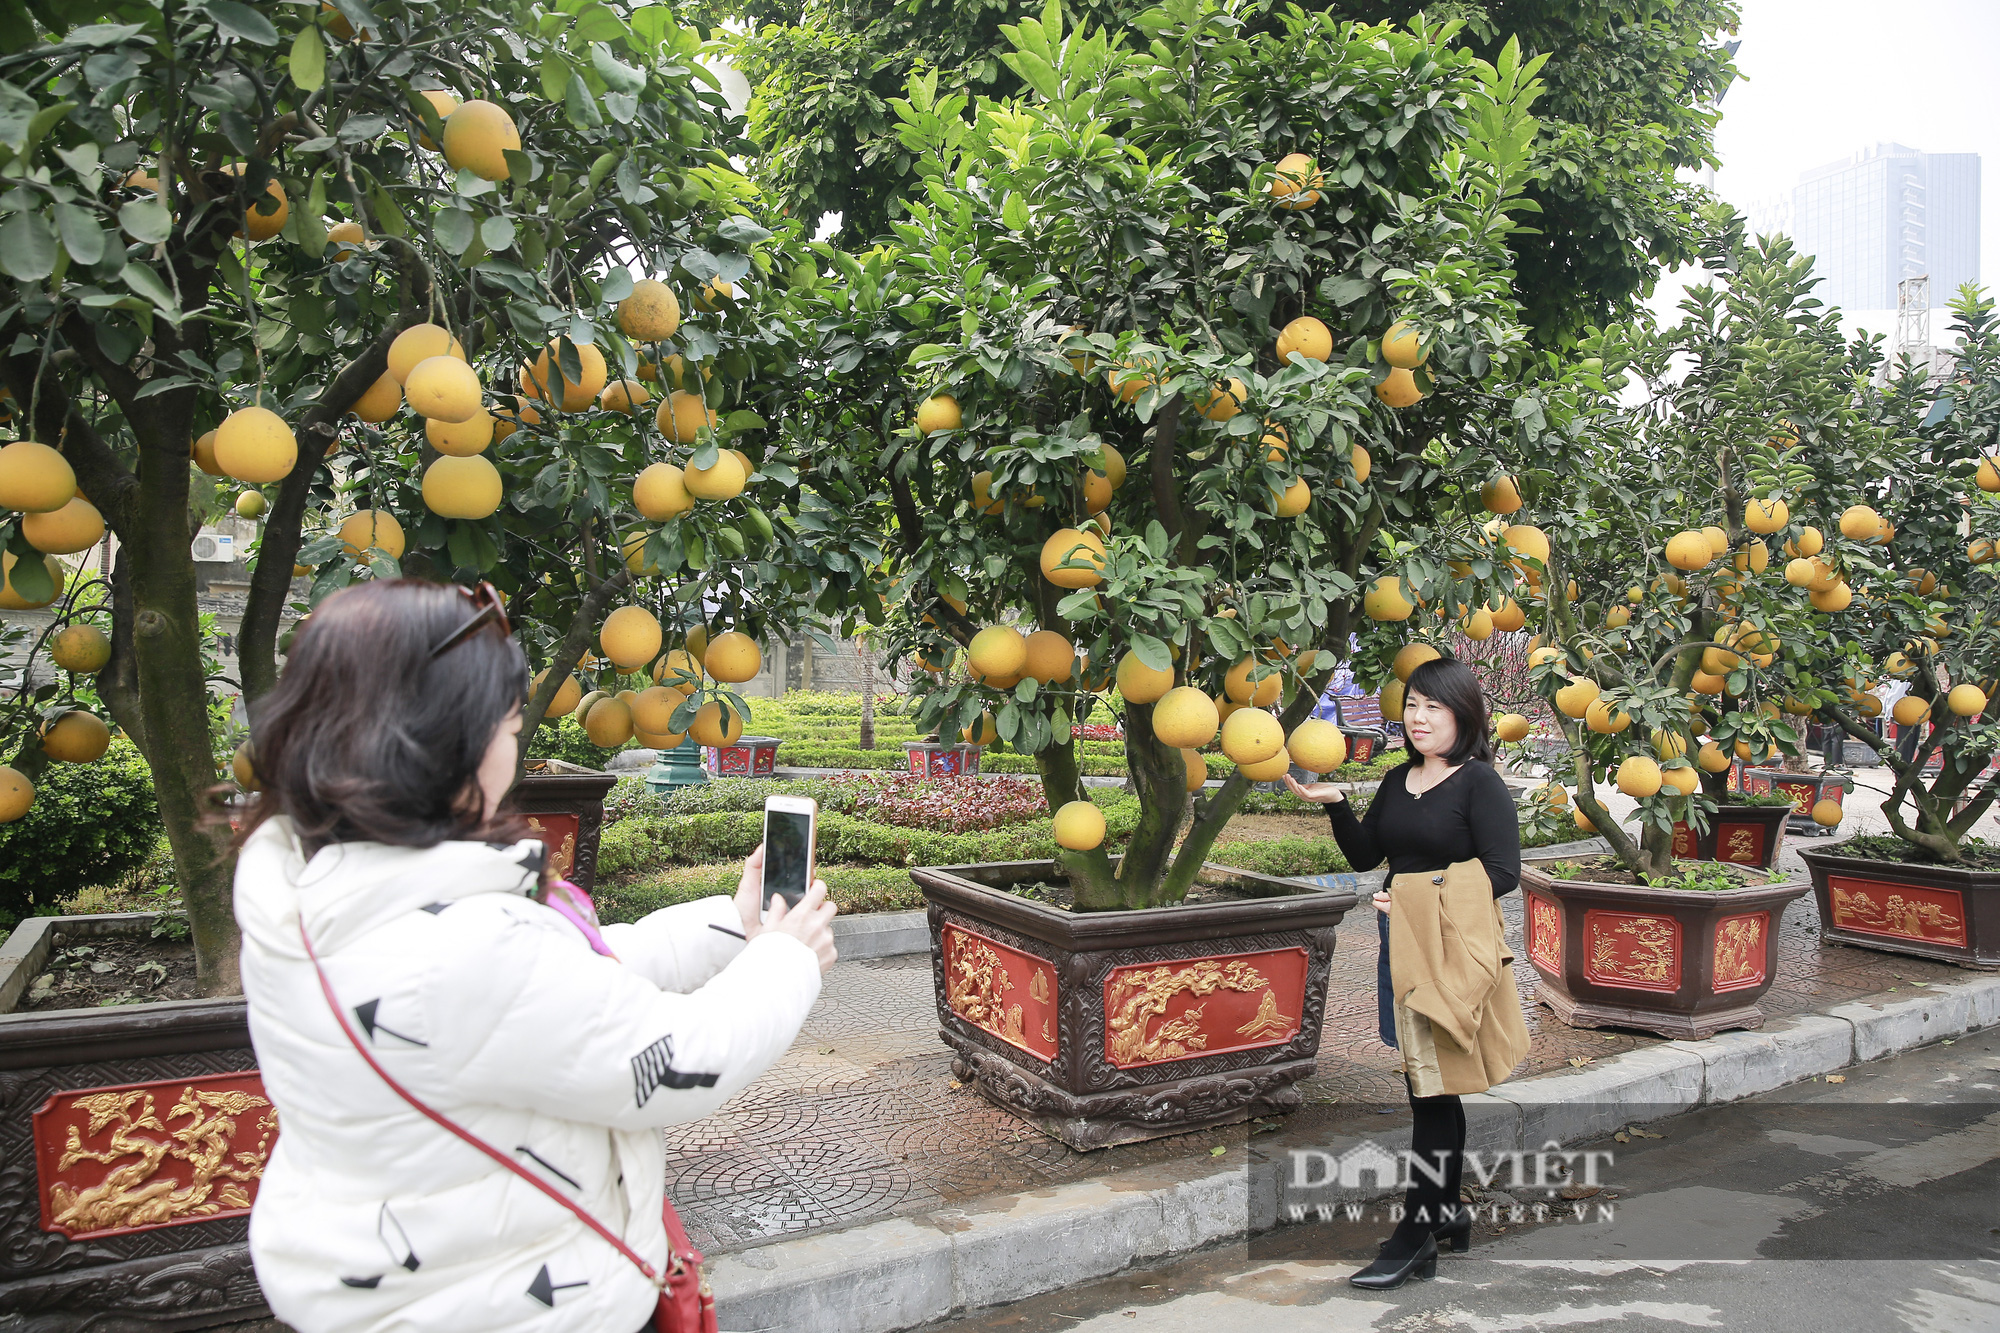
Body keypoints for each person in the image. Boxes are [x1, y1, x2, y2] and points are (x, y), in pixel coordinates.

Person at [232, 579, 837, 1333]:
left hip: (408, 1282)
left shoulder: (320, 891)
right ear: (442, 742)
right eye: (508, 726)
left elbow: (550, 989)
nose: (511, 748)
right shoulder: (462, 950)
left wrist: (732, 925)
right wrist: (785, 960)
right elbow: (675, 1058)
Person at [1285, 654, 1522, 1290]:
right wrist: (1337, 805)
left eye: (1433, 707)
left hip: (1448, 946)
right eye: (1412, 705)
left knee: (1432, 1084)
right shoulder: (1397, 779)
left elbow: (1503, 873)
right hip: (1401, 941)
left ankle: (1419, 1230)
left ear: (1463, 714)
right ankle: (1446, 1211)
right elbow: (1369, 856)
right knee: (1430, 1081)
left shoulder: (1479, 784)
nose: (1418, 718)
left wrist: (1422, 893)